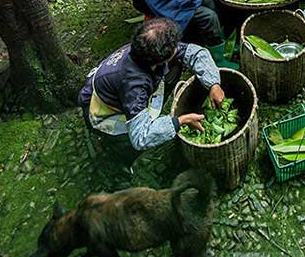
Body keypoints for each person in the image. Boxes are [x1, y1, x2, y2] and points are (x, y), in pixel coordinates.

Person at [77, 18, 225, 162]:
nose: (177, 48)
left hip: (117, 88)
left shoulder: (147, 47)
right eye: (174, 48)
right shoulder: (135, 85)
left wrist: (213, 83)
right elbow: (140, 138)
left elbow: (195, 53)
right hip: (104, 109)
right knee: (127, 144)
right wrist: (181, 121)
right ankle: (122, 161)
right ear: (159, 60)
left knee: (175, 67)